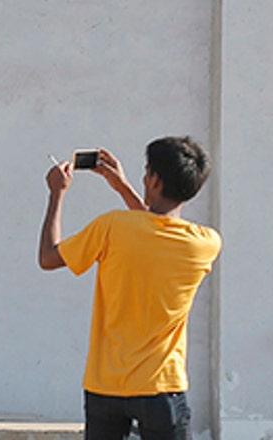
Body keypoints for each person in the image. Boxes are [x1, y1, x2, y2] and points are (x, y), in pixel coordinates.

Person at [39, 137, 221, 440]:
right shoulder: (205, 243)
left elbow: (48, 257)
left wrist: (57, 194)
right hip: (162, 388)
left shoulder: (112, 226)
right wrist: (122, 187)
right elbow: (154, 227)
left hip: (105, 385)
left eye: (146, 171)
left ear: (154, 179)